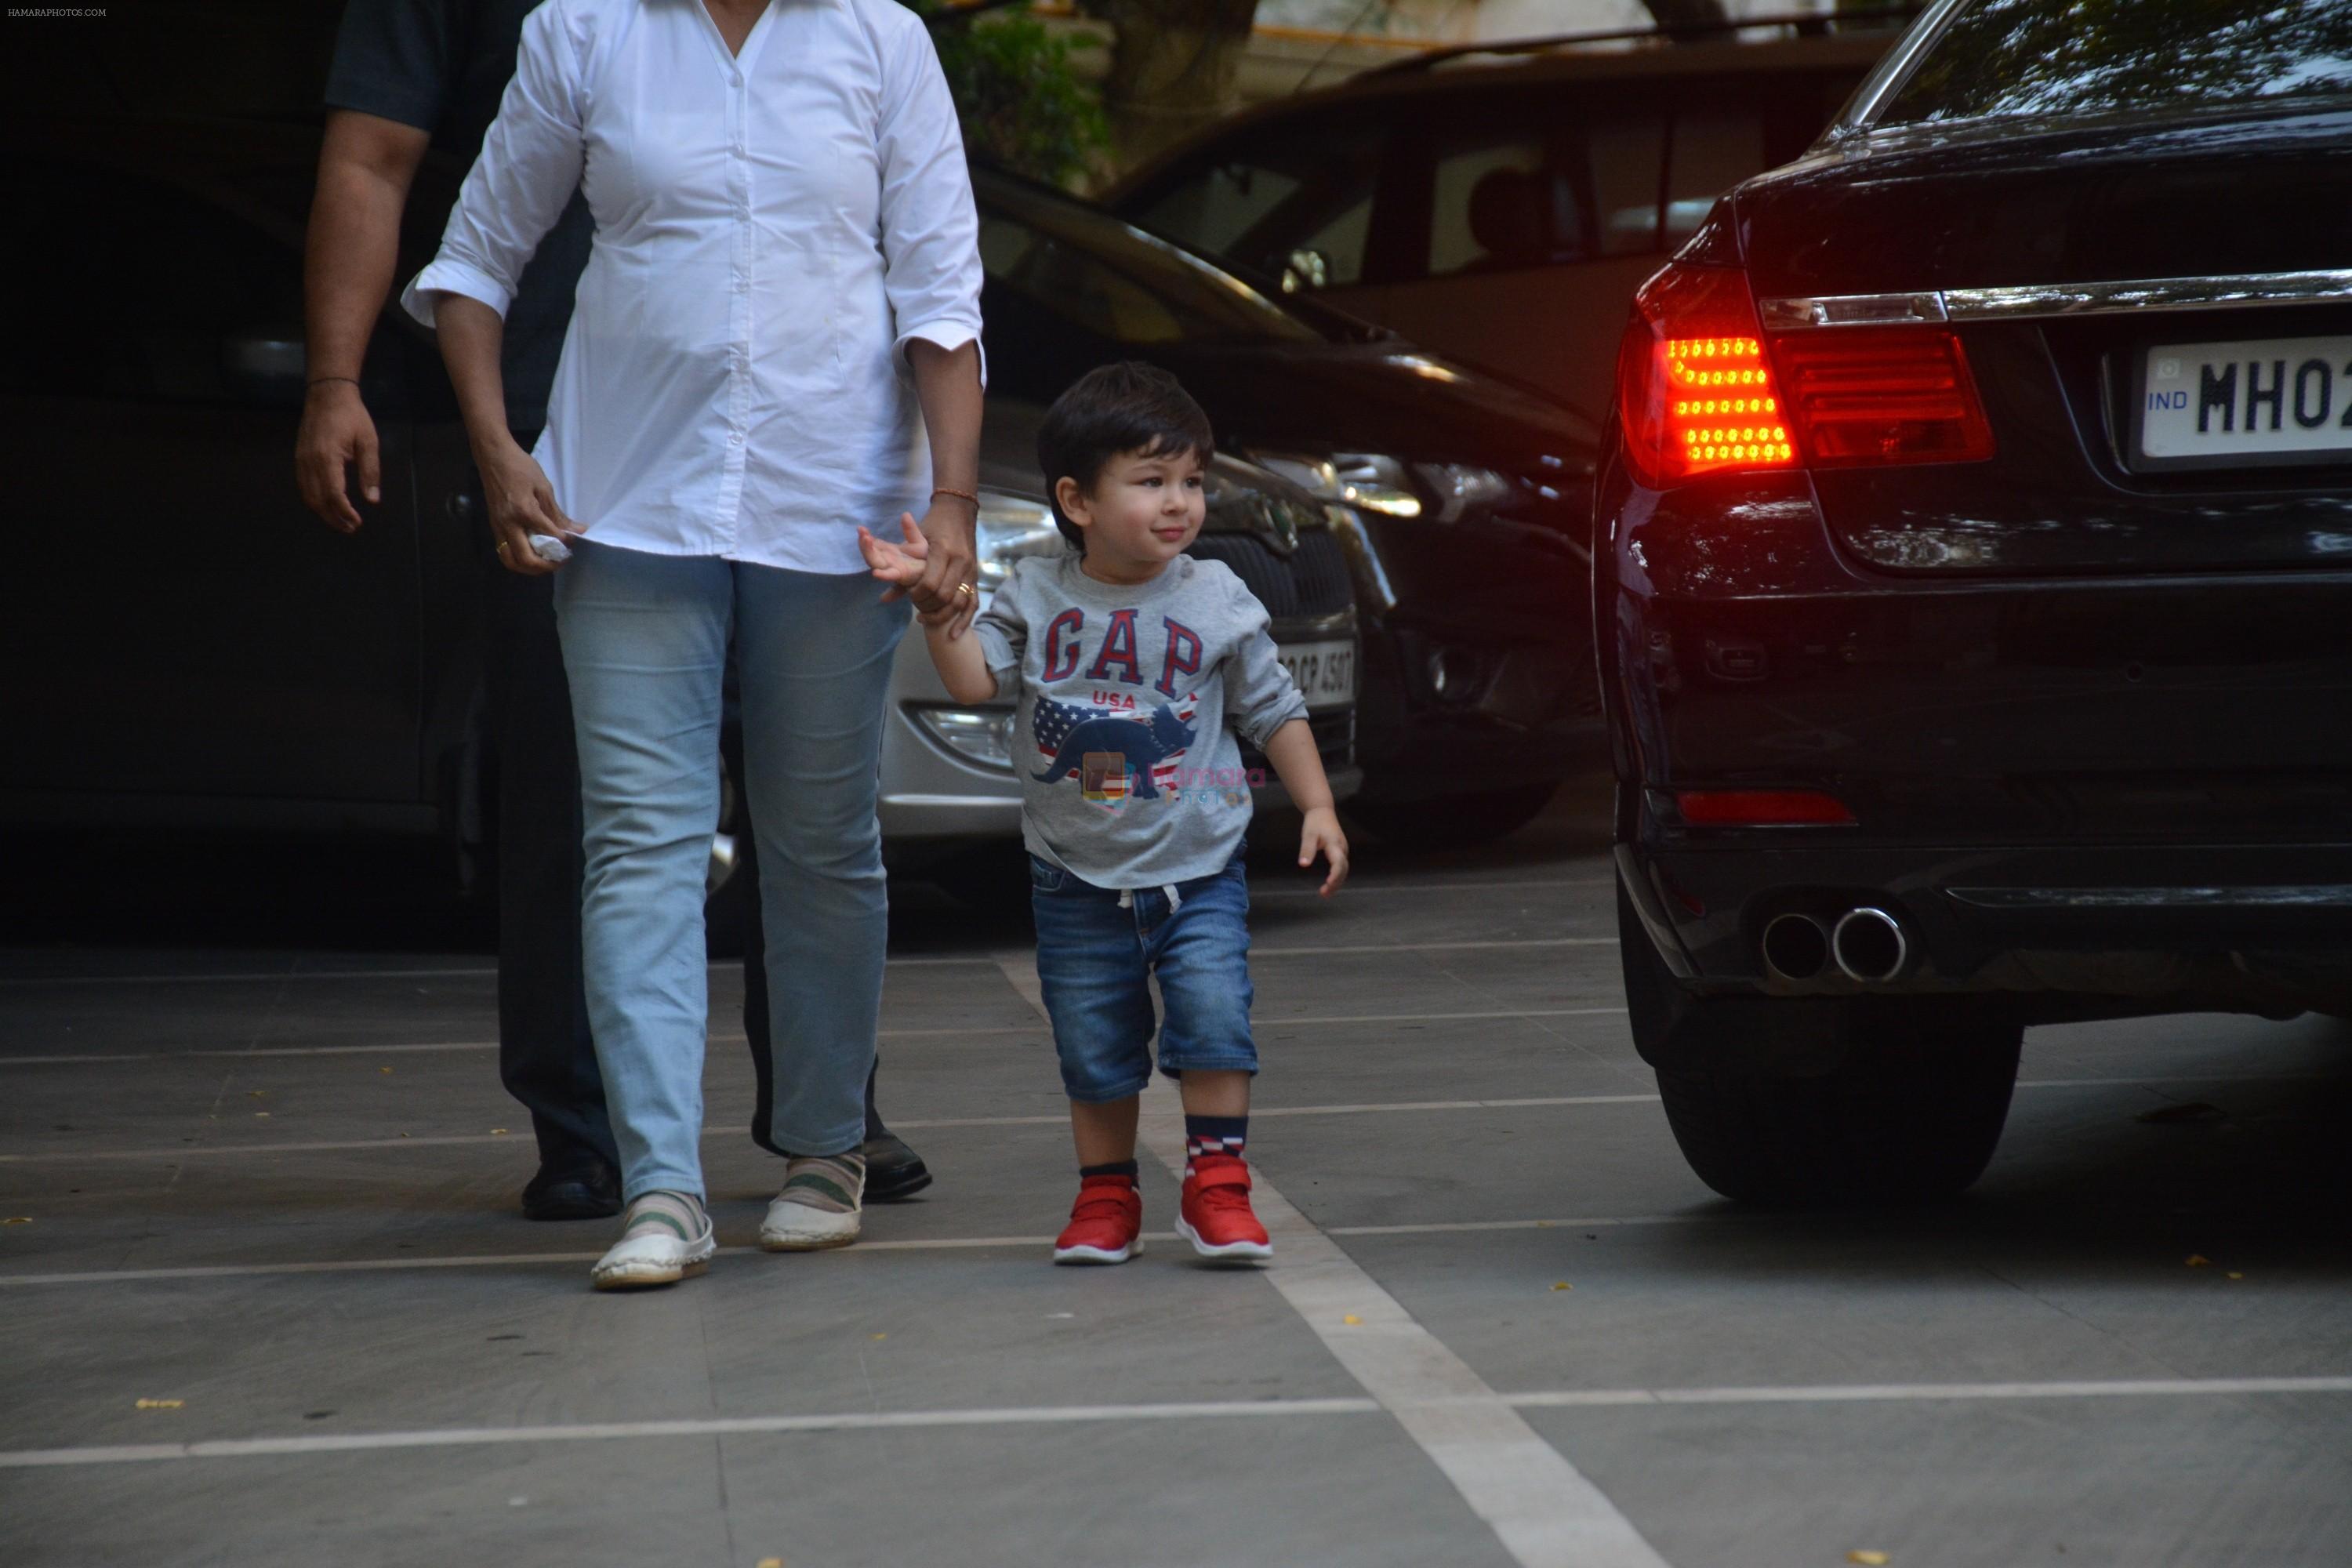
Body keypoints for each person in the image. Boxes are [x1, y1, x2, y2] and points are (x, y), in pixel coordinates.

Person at [295, 0, 935, 1229]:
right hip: (579, 437)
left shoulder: (849, 34)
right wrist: (337, 379)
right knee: (591, 802)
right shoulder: (550, 26)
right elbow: (372, 157)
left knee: (811, 802)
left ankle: (824, 1119)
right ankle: (595, 1129)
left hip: (794, 446)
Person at [859, 362, 1349, 1266]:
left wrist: (1316, 804)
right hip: (1073, 873)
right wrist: (937, 610)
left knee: (1214, 1017)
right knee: (1094, 1040)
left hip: (1199, 864)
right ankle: (1106, 1195)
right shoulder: (1036, 594)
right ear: (1077, 500)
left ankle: (1218, 1186)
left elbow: (1273, 708)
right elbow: (976, 680)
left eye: (1192, 481)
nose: (1181, 503)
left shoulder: (1215, 597)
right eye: (1153, 480)